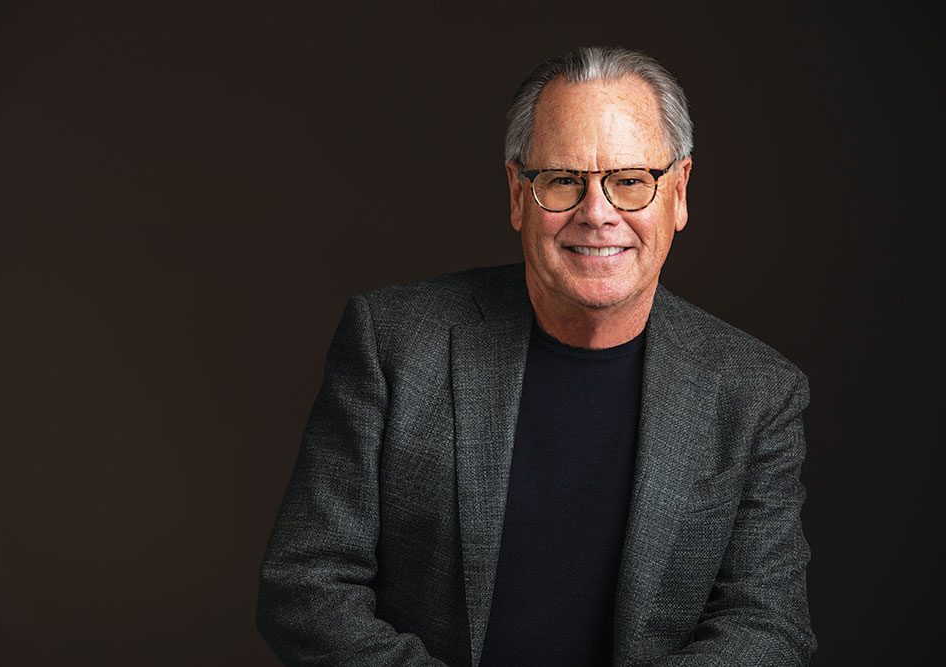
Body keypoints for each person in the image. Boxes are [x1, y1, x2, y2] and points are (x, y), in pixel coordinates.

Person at [256, 46, 815, 666]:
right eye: (563, 181)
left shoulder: (757, 391)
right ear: (519, 194)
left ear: (678, 193)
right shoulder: (392, 343)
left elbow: (766, 626)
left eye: (630, 181)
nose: (597, 214)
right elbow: (305, 586)